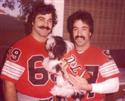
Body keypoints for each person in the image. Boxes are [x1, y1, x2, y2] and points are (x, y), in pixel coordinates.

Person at [0, 2, 57, 101]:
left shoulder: (54, 47)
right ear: (32, 22)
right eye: (41, 19)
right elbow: (8, 84)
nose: (46, 24)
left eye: (49, 21)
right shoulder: (19, 48)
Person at [62, 10, 120, 101]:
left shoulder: (102, 54)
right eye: (75, 29)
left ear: (90, 33)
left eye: (84, 29)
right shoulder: (65, 54)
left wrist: (88, 87)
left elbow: (114, 85)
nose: (79, 34)